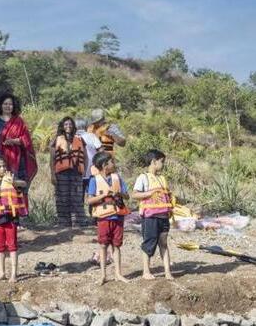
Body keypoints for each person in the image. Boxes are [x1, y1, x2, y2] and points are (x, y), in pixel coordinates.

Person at [86, 152, 131, 285]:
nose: (114, 164)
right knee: (103, 245)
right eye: (112, 162)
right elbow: (89, 200)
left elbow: (127, 196)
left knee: (116, 245)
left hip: (117, 216)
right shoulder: (94, 180)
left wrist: (120, 193)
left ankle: (118, 274)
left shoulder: (117, 178)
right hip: (104, 218)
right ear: (105, 165)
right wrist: (103, 195)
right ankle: (103, 275)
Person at [131, 149, 175, 281]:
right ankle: (146, 271)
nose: (163, 164)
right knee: (149, 243)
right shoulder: (143, 178)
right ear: (153, 162)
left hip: (163, 217)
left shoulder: (162, 179)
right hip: (150, 217)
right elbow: (135, 194)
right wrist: (150, 193)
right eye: (162, 161)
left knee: (164, 243)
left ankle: (167, 271)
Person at [0, 93, 37, 192]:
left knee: (16, 188)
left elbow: (26, 139)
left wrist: (14, 141)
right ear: (0, 105)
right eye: (5, 104)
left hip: (17, 159)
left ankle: (17, 206)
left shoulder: (19, 121)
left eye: (10, 104)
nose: (8, 106)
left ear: (13, 106)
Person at [0, 157, 28, 283]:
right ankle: (2, 273)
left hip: (10, 217)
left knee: (12, 245)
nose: (2, 168)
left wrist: (14, 182)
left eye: (4, 166)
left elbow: (23, 184)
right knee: (0, 246)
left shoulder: (10, 178)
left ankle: (14, 273)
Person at [50, 116, 88, 227]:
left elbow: (85, 156)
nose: (68, 126)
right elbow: (52, 159)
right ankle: (63, 222)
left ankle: (79, 221)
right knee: (62, 197)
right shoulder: (56, 140)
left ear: (74, 126)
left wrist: (84, 170)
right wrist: (53, 174)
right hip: (61, 173)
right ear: (62, 126)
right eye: (66, 124)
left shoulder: (80, 139)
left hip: (76, 172)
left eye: (70, 124)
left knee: (77, 196)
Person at [87, 109, 126, 173]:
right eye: (95, 122)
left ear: (103, 119)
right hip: (94, 163)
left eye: (98, 121)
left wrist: (111, 134)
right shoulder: (90, 129)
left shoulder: (111, 127)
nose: (96, 124)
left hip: (108, 162)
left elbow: (123, 143)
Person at [75, 118, 102, 194]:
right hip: (92, 172)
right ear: (86, 126)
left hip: (76, 173)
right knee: (94, 196)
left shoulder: (72, 138)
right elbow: (101, 151)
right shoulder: (92, 136)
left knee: (78, 199)